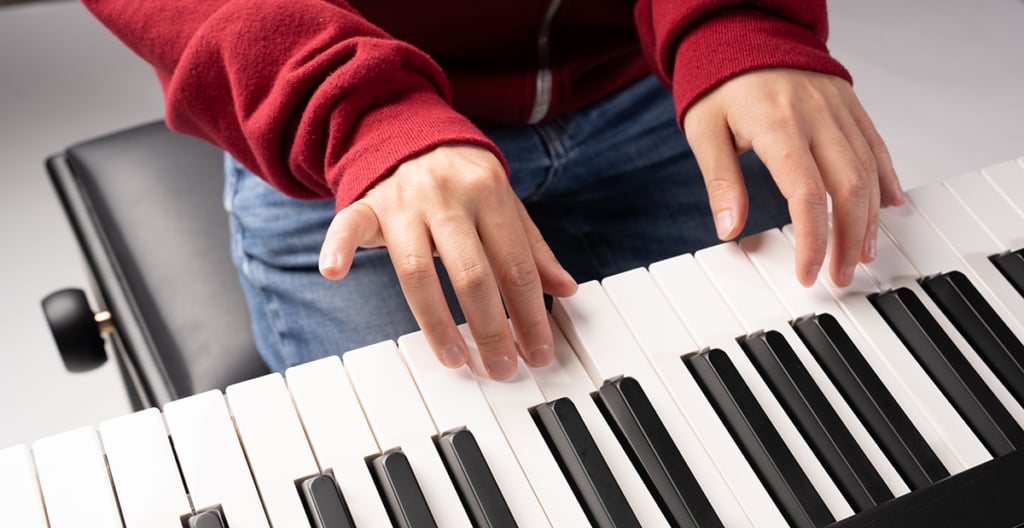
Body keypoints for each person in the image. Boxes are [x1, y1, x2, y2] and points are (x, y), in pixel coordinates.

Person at [82, 0, 904, 380]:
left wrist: (738, 19)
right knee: (439, 492)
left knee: (781, 392)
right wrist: (362, 117)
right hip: (343, 133)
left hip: (650, 86)